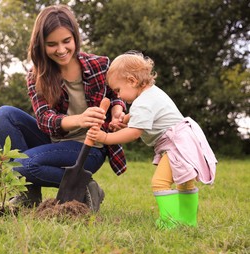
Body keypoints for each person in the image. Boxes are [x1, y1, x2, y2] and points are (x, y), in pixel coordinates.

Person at [0, 4, 127, 212]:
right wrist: (79, 119)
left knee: (22, 165)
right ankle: (28, 195)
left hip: (89, 148)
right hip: (54, 139)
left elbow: (116, 95)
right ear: (41, 45)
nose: (61, 50)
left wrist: (118, 110)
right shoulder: (37, 76)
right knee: (4, 115)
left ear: (75, 37)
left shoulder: (100, 65)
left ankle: (86, 187)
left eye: (66, 41)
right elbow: (44, 118)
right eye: (52, 44)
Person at [87, 51, 217, 227]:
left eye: (118, 90)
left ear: (132, 81)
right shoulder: (151, 94)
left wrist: (106, 137)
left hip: (176, 144)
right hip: (184, 139)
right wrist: (124, 120)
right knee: (185, 183)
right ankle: (188, 222)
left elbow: (134, 133)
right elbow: (141, 119)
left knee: (160, 182)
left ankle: (169, 223)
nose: (118, 96)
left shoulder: (143, 102)